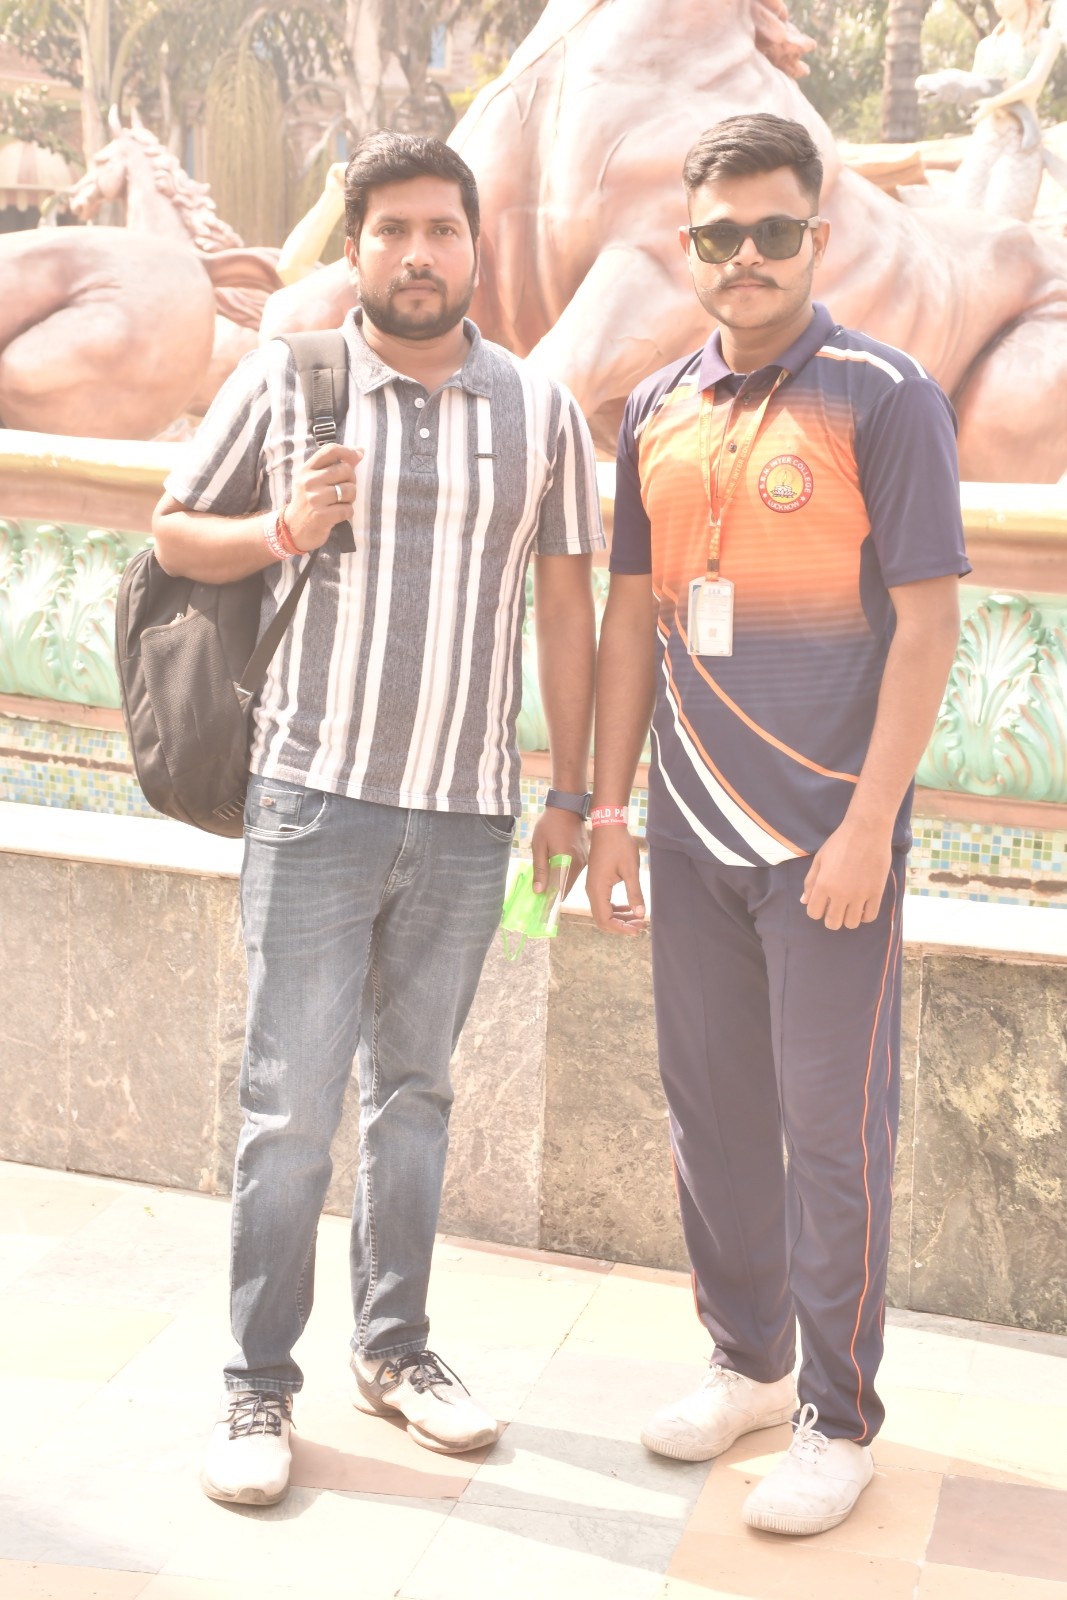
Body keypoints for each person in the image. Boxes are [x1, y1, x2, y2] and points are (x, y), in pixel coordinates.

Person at [152, 132, 603, 1506]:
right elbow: (174, 531)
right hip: (313, 800)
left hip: (467, 816)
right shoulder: (289, 376)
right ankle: (256, 1381)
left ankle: (395, 1350)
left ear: (473, 246)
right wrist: (281, 530)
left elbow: (567, 605)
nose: (419, 253)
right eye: (393, 229)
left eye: (441, 230)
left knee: (416, 1095)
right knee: (290, 1107)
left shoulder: (540, 408)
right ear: (355, 249)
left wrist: (572, 791)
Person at [587, 113, 967, 1537]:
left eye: (773, 231)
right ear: (686, 245)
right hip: (690, 837)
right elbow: (634, 619)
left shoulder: (887, 397)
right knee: (714, 1114)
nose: (744, 257)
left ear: (818, 235)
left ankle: (836, 1417)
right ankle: (747, 1366)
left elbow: (928, 627)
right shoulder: (653, 408)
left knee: (831, 1132)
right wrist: (609, 810)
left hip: (826, 850)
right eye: (719, 234)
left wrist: (871, 825)